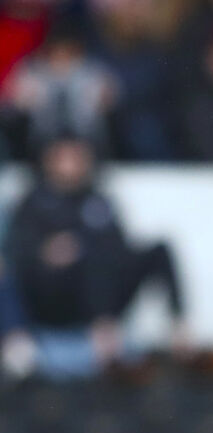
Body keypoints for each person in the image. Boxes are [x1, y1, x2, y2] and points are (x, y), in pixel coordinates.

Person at [4, 130, 186, 380]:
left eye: (76, 157)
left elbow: (118, 250)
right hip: (49, 293)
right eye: (63, 157)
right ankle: (18, 342)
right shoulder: (32, 203)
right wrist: (46, 252)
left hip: (98, 293)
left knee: (154, 250)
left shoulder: (100, 201)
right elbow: (17, 251)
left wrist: (83, 247)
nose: (70, 165)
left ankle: (179, 331)